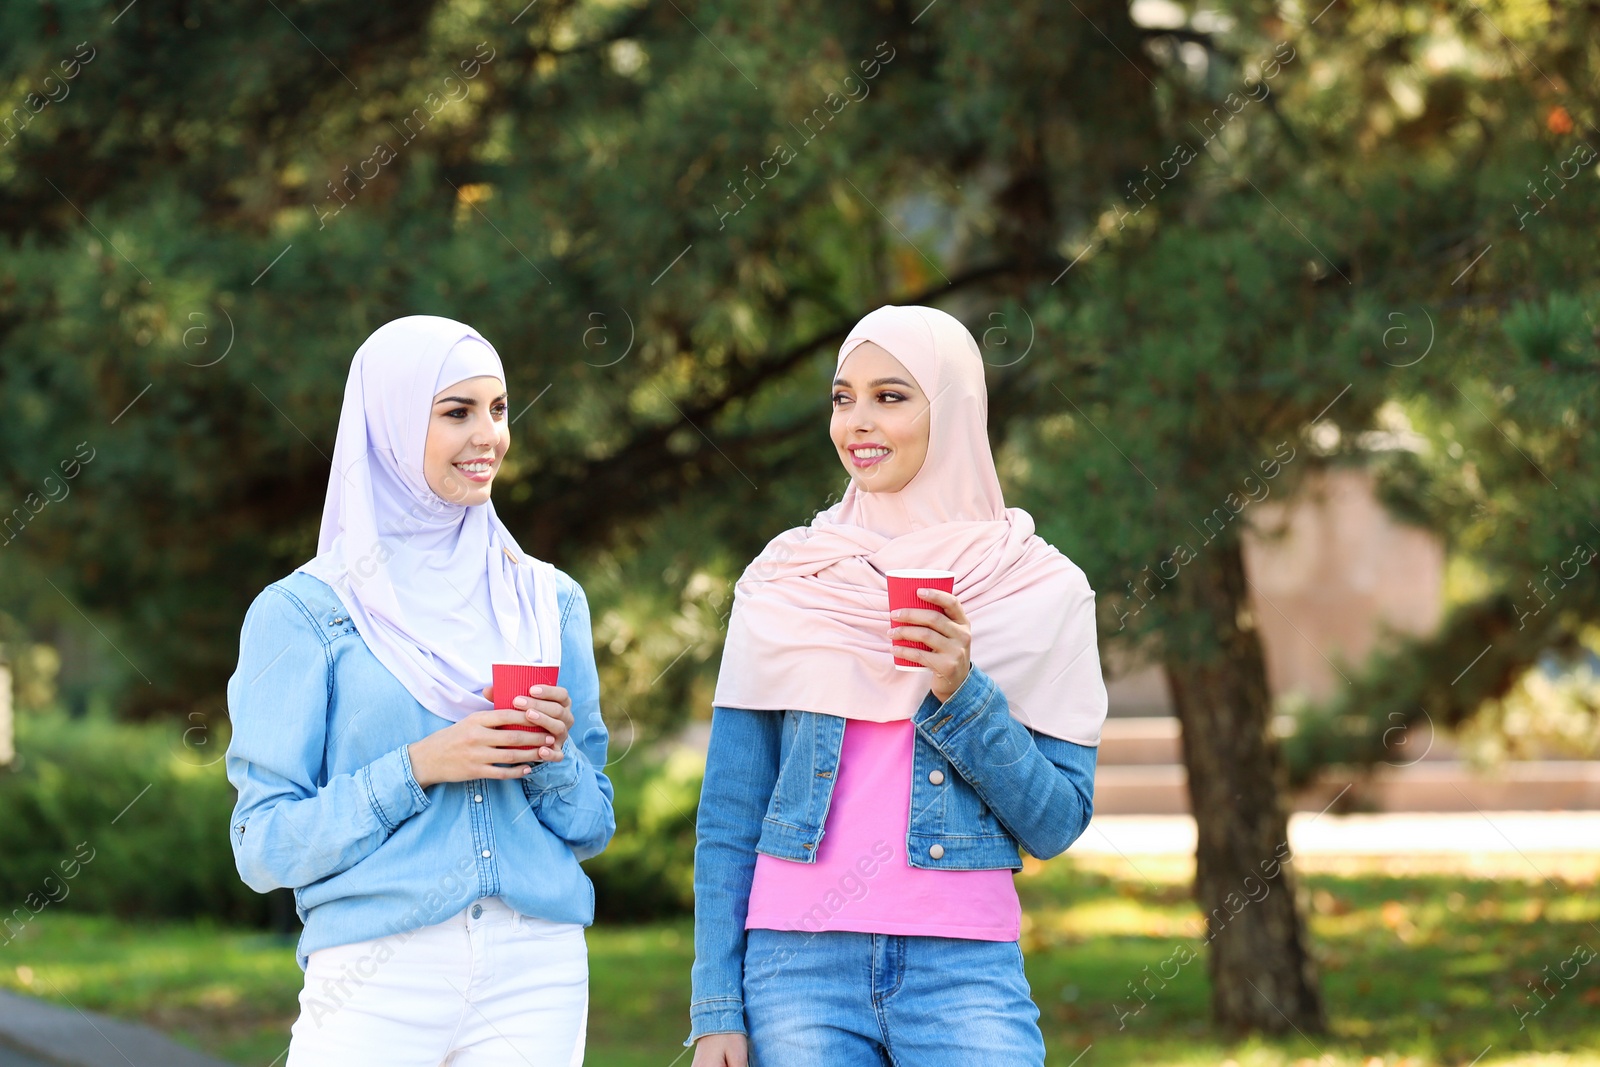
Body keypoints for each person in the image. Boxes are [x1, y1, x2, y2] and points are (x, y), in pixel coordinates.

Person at [687, 305, 1108, 1066]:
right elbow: (729, 813)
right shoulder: (786, 579)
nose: (858, 421)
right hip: (795, 970)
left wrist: (962, 690)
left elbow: (1057, 821)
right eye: (843, 397)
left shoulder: (1042, 589)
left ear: (953, 409)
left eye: (891, 395)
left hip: (964, 968)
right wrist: (716, 1005)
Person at [225, 315, 614, 1066]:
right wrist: (418, 766)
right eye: (457, 411)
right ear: (392, 425)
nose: (489, 436)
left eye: (499, 409)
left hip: (537, 966)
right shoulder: (308, 611)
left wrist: (556, 755)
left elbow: (592, 823)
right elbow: (262, 845)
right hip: (376, 970)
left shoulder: (547, 600)